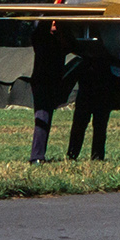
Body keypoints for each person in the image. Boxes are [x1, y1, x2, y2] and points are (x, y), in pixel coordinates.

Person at [28, 23, 71, 164]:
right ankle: (37, 157)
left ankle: (38, 155)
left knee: (45, 117)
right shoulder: (42, 38)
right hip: (41, 82)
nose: (55, 25)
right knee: (42, 117)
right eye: (52, 23)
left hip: (53, 83)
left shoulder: (61, 40)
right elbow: (39, 32)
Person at [67, 55, 115, 161]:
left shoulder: (83, 55)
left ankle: (73, 153)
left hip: (89, 92)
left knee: (81, 125)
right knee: (98, 126)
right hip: (100, 91)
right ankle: (96, 156)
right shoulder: (106, 54)